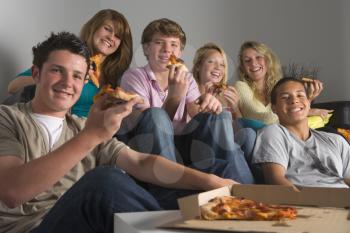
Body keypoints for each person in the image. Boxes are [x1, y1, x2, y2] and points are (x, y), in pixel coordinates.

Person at [0, 32, 240, 233]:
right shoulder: (7, 118)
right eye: (57, 71)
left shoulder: (81, 125)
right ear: (36, 74)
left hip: (90, 224)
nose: (67, 82)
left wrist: (213, 182)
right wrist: (92, 135)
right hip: (34, 227)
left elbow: (141, 161)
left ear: (85, 82)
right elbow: (12, 191)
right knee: (105, 180)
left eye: (76, 76)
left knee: (213, 172)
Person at [119, 18, 254, 183]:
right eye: (159, 42)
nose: (167, 50)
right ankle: (168, 189)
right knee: (155, 115)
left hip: (184, 145)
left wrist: (208, 103)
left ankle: (241, 190)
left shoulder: (188, 78)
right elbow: (148, 126)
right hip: (151, 149)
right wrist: (174, 97)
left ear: (180, 52)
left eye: (174, 44)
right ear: (146, 49)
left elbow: (195, 113)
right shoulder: (134, 76)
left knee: (218, 115)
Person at [6, 9, 133, 117]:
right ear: (94, 28)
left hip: (98, 134)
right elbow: (13, 87)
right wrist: (59, 78)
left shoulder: (119, 76)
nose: (111, 37)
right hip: (65, 129)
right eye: (107, 29)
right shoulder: (68, 57)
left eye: (117, 36)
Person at [252, 77, 350, 189]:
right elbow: (275, 180)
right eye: (285, 97)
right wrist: (303, 201)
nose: (294, 100)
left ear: (308, 102)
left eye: (300, 95)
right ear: (274, 108)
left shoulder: (336, 140)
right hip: (304, 202)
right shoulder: (273, 133)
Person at [235, 41, 332, 130]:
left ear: (268, 61)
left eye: (258, 57)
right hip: (261, 138)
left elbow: (292, 116)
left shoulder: (280, 86)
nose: (253, 63)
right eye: (247, 60)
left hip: (284, 134)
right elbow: (264, 120)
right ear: (243, 68)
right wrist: (310, 110)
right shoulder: (240, 86)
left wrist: (308, 99)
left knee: (328, 131)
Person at [192, 42, 256, 162]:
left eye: (222, 65)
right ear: (198, 66)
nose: (218, 68)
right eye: (211, 62)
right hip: (200, 144)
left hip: (228, 146)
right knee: (221, 116)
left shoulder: (227, 95)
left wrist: (236, 109)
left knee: (249, 133)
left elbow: (239, 130)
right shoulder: (190, 90)